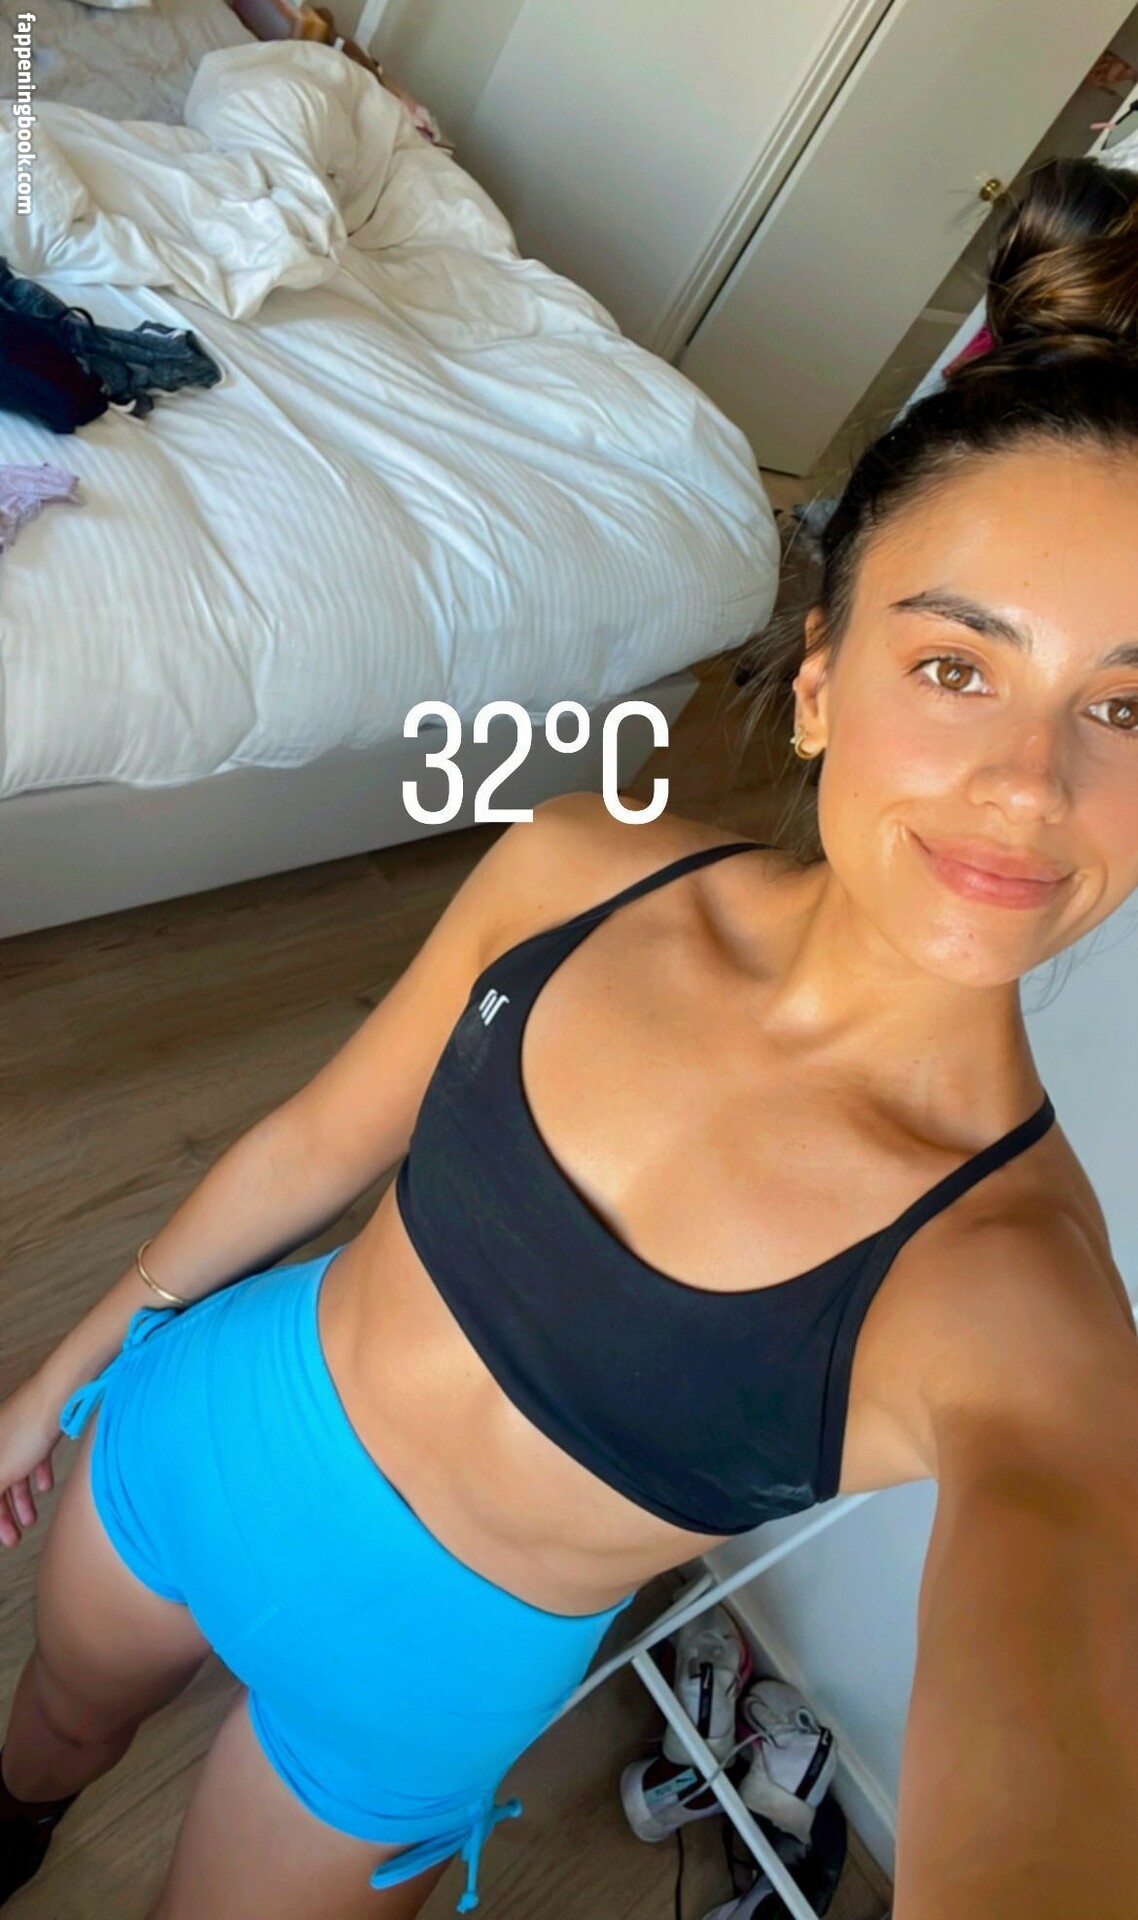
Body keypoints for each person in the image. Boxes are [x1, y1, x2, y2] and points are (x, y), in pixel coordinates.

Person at [3, 152, 1138, 1920]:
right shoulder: (579, 862)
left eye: (1125, 708)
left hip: (414, 1691)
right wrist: (56, 1377)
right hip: (201, 1433)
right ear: (819, 680)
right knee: (43, 1745)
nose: (1025, 783)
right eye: (954, 666)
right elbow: (311, 1146)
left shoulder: (1018, 1307)